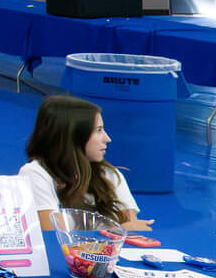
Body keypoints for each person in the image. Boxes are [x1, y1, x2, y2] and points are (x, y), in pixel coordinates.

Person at [21, 95, 152, 232]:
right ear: (73, 136)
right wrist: (113, 232)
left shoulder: (108, 175)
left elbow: (134, 229)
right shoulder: (35, 174)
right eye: (98, 130)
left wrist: (119, 231)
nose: (107, 139)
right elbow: (53, 234)